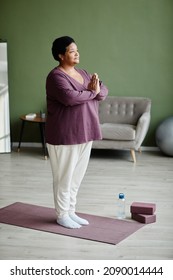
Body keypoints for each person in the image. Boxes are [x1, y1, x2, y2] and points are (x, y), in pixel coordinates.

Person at [45, 36, 108, 229]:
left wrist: (94, 91)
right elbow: (69, 98)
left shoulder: (84, 72)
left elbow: (103, 91)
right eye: (72, 51)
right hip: (65, 135)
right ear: (60, 55)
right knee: (64, 177)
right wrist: (92, 93)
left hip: (85, 131)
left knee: (76, 177)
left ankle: (71, 211)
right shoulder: (56, 77)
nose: (77, 53)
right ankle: (61, 214)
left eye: (76, 50)